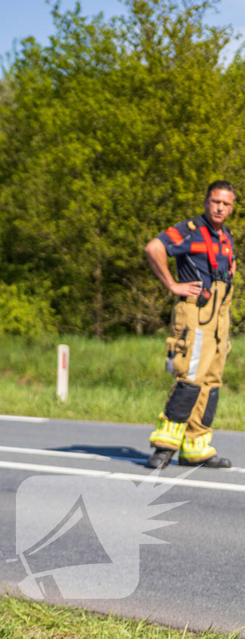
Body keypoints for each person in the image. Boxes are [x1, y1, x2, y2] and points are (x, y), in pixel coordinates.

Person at [144, 180, 237, 469]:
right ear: (206, 201)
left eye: (226, 203)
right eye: (216, 201)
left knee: (211, 381)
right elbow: (154, 248)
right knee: (190, 377)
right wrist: (173, 285)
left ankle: (196, 447)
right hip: (195, 313)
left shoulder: (226, 236)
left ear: (232, 207)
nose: (220, 207)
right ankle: (164, 447)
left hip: (219, 318)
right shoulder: (189, 230)